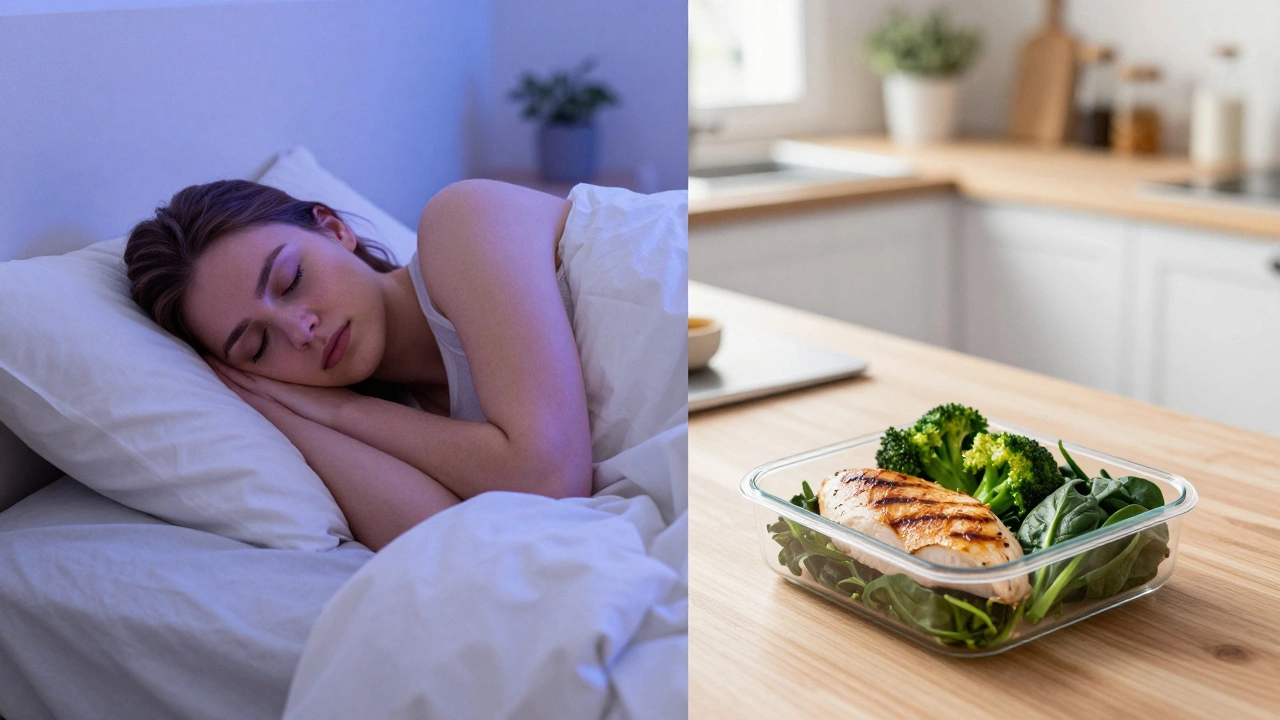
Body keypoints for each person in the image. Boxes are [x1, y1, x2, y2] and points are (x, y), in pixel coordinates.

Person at [124, 178, 597, 551]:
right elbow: (461, 546)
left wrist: (341, 412)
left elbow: (549, 481)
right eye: (258, 346)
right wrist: (282, 412)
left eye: (291, 280)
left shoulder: (461, 223)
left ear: (334, 229)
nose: (299, 330)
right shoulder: (404, 430)